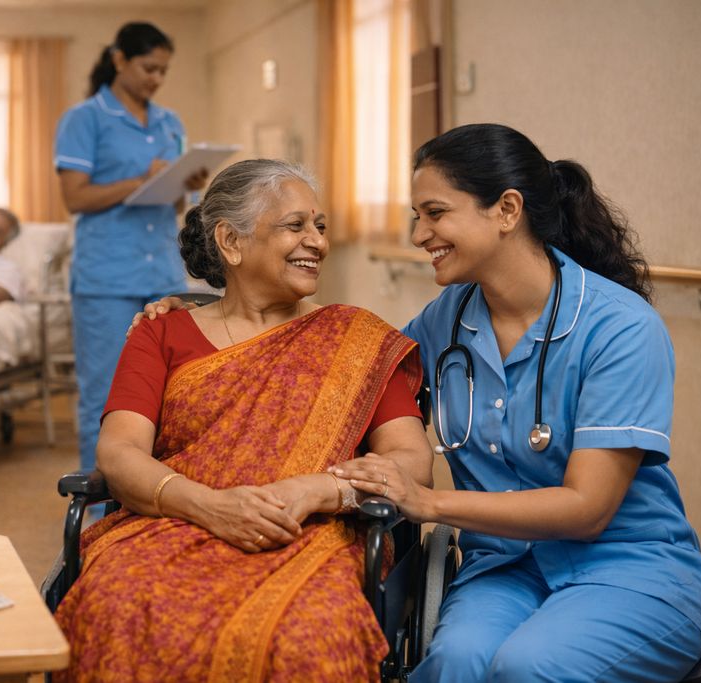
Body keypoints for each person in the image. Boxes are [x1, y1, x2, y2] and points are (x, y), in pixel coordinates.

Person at [138, 126, 701, 682]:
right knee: (453, 668)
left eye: (436, 214)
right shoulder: (445, 323)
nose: (419, 235)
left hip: (627, 567)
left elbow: (588, 507)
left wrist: (426, 501)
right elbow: (334, 360)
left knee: (528, 669)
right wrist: (202, 308)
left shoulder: (618, 327)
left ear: (507, 211)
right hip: (506, 569)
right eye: (417, 217)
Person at [53, 159, 434, 681]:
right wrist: (211, 507)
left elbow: (412, 461)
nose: (318, 243)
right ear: (231, 242)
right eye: (295, 226)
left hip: (312, 534)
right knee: (114, 601)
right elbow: (119, 453)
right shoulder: (161, 333)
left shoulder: (357, 338)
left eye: (320, 227)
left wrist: (317, 491)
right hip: (172, 523)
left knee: (309, 631)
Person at [53, 21, 209, 476]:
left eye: (163, 71)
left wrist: (186, 181)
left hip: (162, 271)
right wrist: (141, 180)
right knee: (104, 397)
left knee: (174, 392)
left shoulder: (169, 122)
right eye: (148, 68)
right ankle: (96, 513)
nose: (155, 79)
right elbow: (75, 197)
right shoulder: (84, 119)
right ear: (119, 59)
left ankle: (155, 495)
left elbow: (177, 201)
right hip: (106, 279)